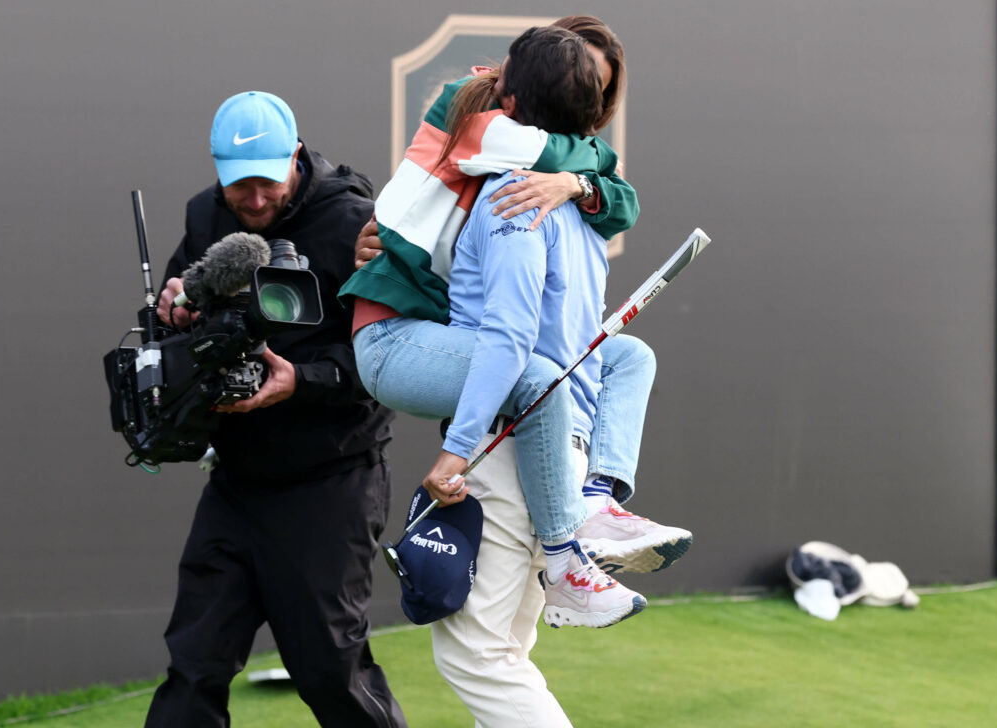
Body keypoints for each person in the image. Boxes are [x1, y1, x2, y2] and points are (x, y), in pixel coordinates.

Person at [341, 18, 691, 602]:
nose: (587, 106)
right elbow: (578, 154)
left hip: (439, 335)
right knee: (533, 374)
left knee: (625, 356)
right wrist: (580, 176)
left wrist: (577, 185)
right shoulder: (479, 114)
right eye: (580, 87)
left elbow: (622, 201)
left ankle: (598, 499)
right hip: (392, 336)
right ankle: (565, 554)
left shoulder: (540, 166)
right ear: (527, 87)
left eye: (598, 92)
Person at [143, 91, 406, 728]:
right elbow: (185, 317)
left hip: (330, 484)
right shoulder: (206, 216)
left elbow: (394, 360)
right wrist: (175, 307)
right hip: (235, 485)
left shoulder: (356, 225)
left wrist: (303, 380)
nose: (255, 201)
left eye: (267, 182)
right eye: (239, 188)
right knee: (193, 667)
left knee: (330, 674)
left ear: (294, 157)